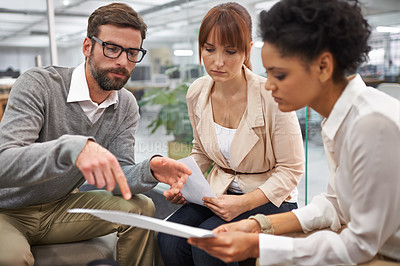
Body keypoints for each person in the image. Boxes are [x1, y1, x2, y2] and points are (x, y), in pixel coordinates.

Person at [188, 0, 400, 265]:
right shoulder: (342, 118)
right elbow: (334, 204)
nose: (269, 86)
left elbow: (360, 246)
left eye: (280, 75)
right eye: (269, 74)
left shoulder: (373, 124)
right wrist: (258, 225)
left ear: (323, 67)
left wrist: (259, 245)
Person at [0, 3, 191, 266]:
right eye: (112, 48)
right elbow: (4, 162)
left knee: (143, 207)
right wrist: (73, 149)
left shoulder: (125, 104)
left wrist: (151, 170)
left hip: (60, 207)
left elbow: (119, 176)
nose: (123, 61)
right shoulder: (39, 84)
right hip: (7, 211)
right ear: (87, 47)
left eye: (132, 52)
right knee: (14, 258)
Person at [158, 2, 305, 266]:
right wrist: (183, 180)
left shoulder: (271, 95)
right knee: (168, 237)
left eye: (230, 51)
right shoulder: (197, 92)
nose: (217, 62)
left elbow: (291, 170)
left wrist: (244, 203)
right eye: (209, 49)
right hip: (219, 191)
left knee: (209, 246)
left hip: (270, 196)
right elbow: (201, 150)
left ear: (248, 49)